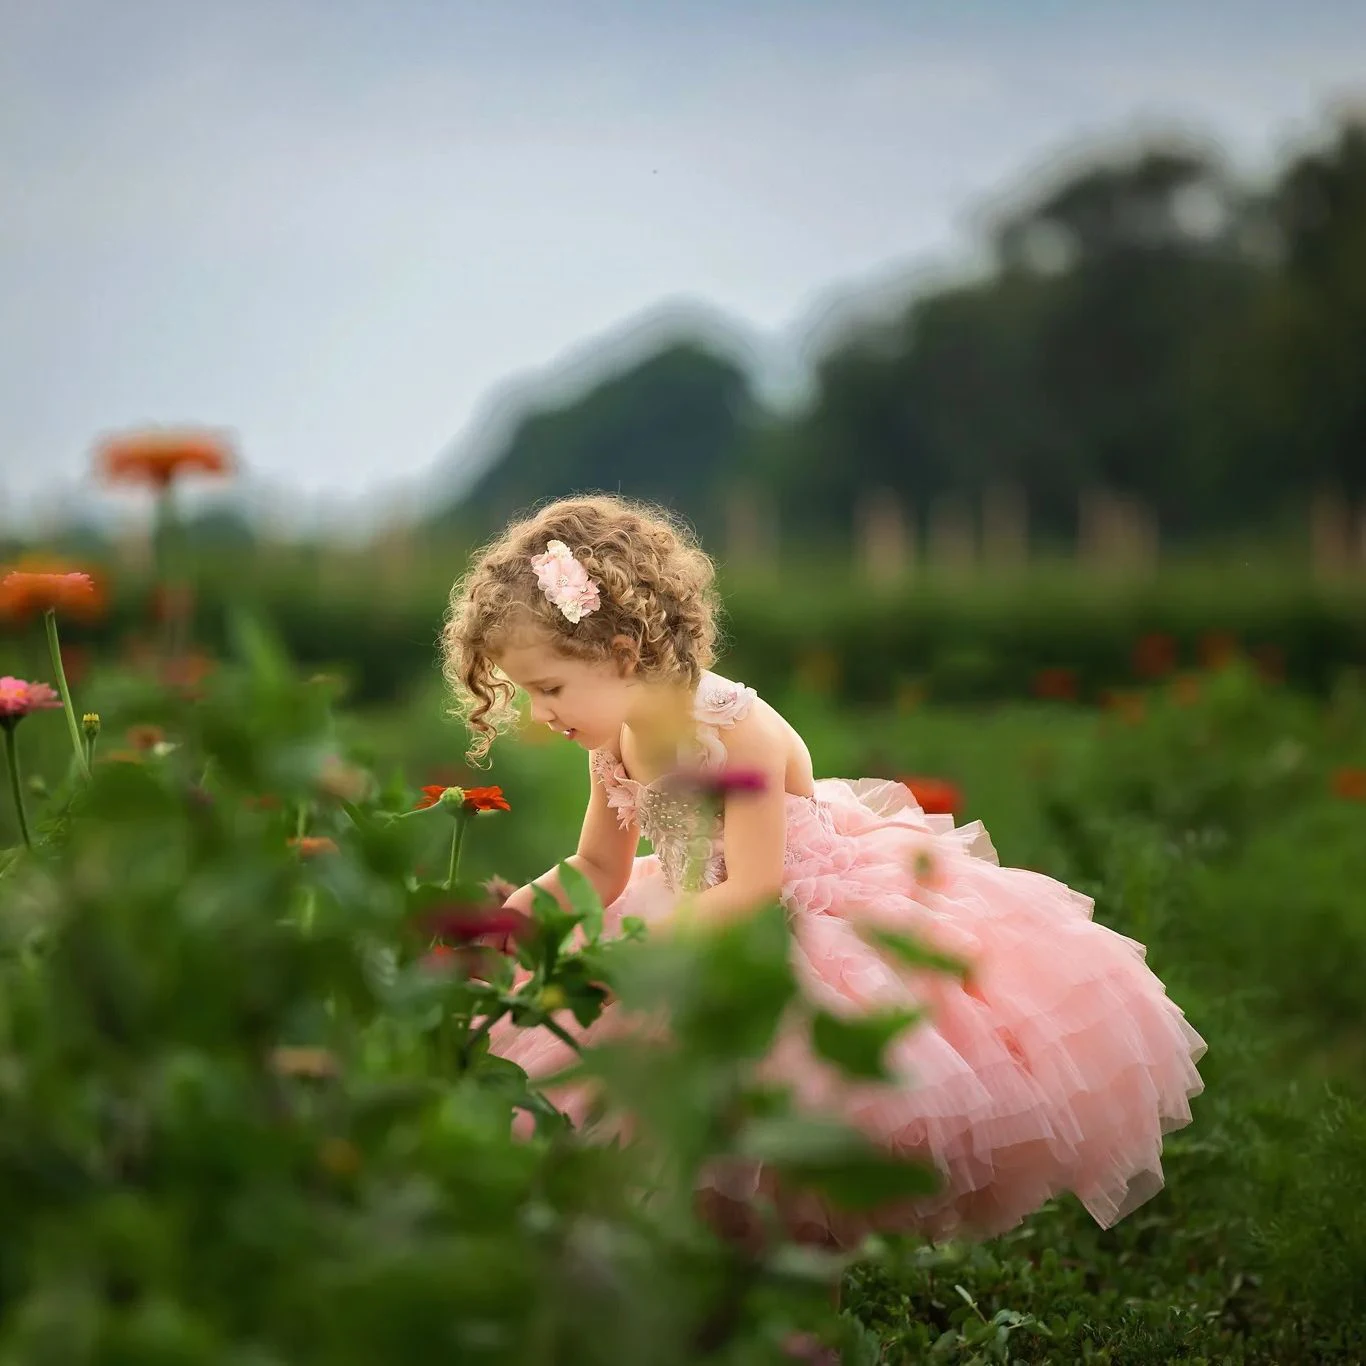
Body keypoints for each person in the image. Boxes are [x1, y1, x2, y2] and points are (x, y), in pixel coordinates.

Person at [440, 494, 1206, 1247]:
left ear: (621, 653)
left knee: (791, 1148)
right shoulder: (616, 741)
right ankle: (734, 1305)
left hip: (796, 926)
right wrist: (513, 922)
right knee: (694, 1156)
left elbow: (751, 889)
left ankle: (813, 1315)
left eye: (548, 689)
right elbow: (598, 867)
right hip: (684, 916)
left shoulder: (732, 733)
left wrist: (631, 955)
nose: (541, 715)